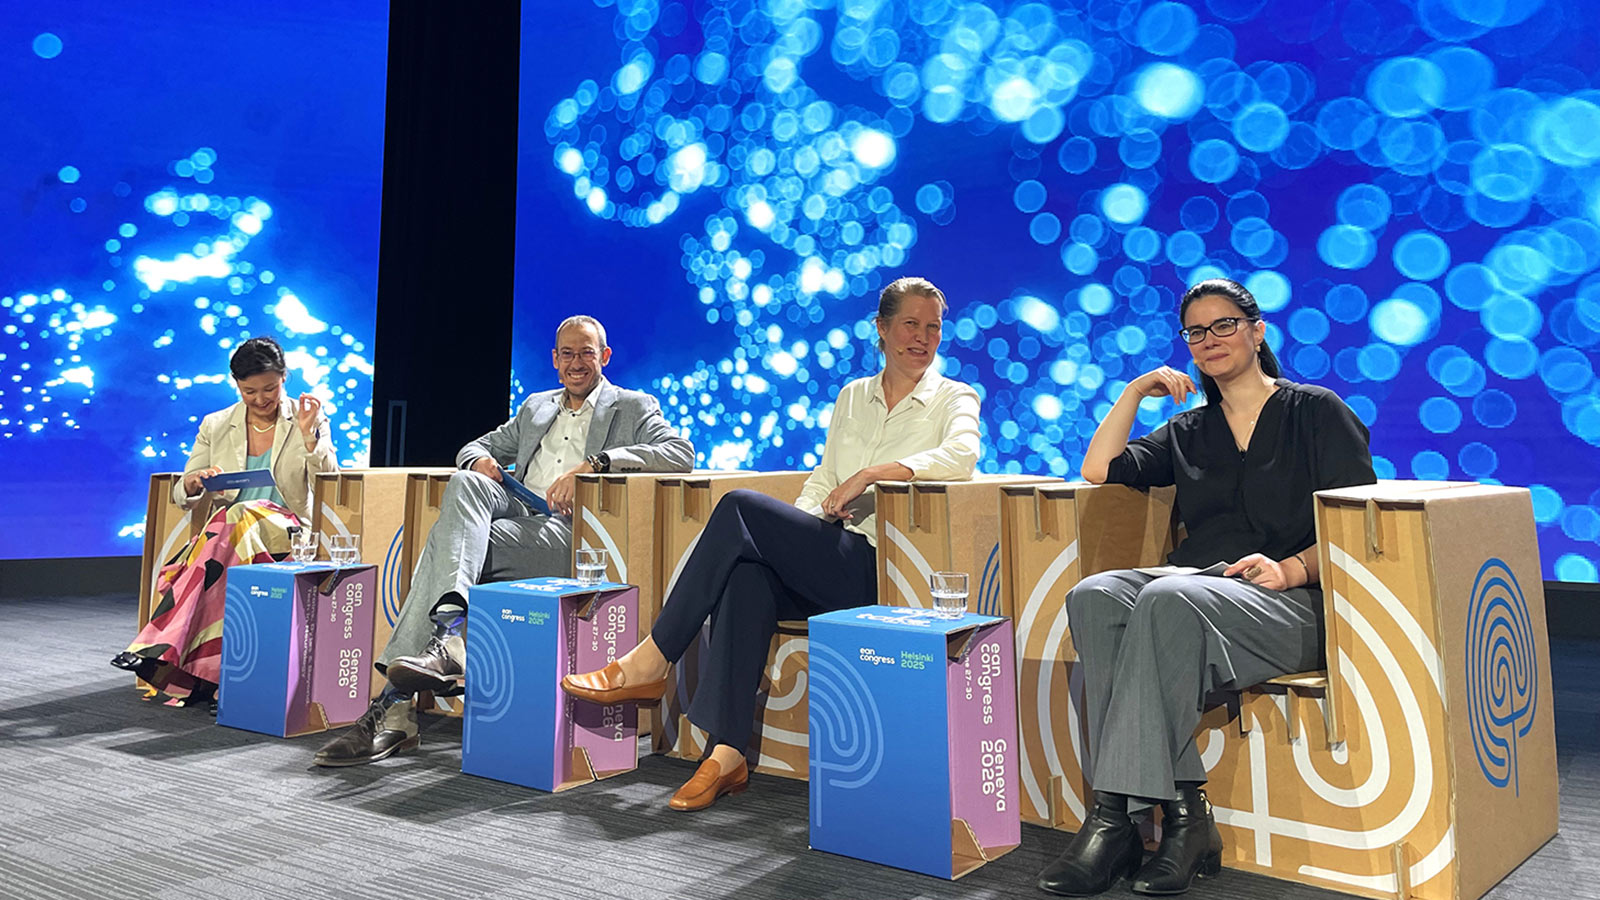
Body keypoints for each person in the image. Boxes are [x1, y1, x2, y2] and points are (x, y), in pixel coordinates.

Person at [561, 277, 981, 810]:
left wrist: (877, 473)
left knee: (741, 505)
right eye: (910, 325)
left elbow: (962, 456)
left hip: (881, 566)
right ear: (881, 329)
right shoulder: (854, 396)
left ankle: (653, 658)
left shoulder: (953, 397)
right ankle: (727, 753)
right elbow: (824, 480)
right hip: (827, 551)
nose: (922, 338)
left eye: (933, 327)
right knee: (747, 574)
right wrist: (793, 534)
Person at [1035, 278, 1378, 897]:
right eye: (1196, 331)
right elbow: (1098, 469)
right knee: (1096, 594)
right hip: (1199, 592)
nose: (1210, 340)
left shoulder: (1315, 411)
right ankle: (1187, 817)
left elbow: (1356, 526)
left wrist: (1293, 568)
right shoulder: (1190, 430)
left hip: (1289, 602)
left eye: (1224, 325)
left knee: (1168, 595)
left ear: (1257, 330)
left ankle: (1113, 818)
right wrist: (1136, 391)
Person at [313, 315, 695, 767]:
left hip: (571, 534)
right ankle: (448, 634)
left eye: (586, 353)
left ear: (604, 357)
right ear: (554, 360)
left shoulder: (631, 406)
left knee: (447, 546)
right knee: (464, 486)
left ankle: (394, 710)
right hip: (517, 516)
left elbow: (680, 454)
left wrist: (596, 463)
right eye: (567, 353)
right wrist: (479, 462)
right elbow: (473, 446)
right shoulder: (536, 406)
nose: (576, 363)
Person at [114, 336, 339, 702]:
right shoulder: (216, 424)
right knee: (231, 527)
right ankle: (218, 675)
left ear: (286, 377)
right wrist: (194, 481)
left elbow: (329, 479)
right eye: (250, 391)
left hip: (289, 532)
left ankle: (160, 647)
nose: (261, 399)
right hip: (230, 539)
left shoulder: (306, 417)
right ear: (236, 385)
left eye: (270, 388)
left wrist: (309, 434)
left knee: (235, 517)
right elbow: (182, 491)